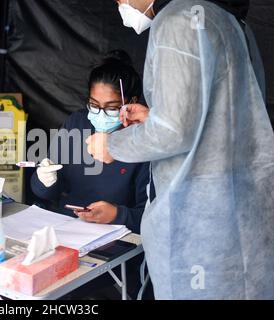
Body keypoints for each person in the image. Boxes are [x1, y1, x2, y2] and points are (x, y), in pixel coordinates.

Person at [87, 0, 274, 299]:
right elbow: (221, 119)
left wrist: (112, 144)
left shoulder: (177, 20)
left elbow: (173, 133)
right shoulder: (229, 19)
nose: (118, 2)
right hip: (242, 218)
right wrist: (154, 117)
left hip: (201, 231)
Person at [32, 50, 151, 233]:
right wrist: (44, 181)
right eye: (94, 106)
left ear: (132, 102)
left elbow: (152, 218)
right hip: (66, 230)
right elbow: (45, 193)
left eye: (111, 108)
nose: (101, 115)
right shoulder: (77, 124)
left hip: (117, 240)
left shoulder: (145, 141)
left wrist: (116, 215)